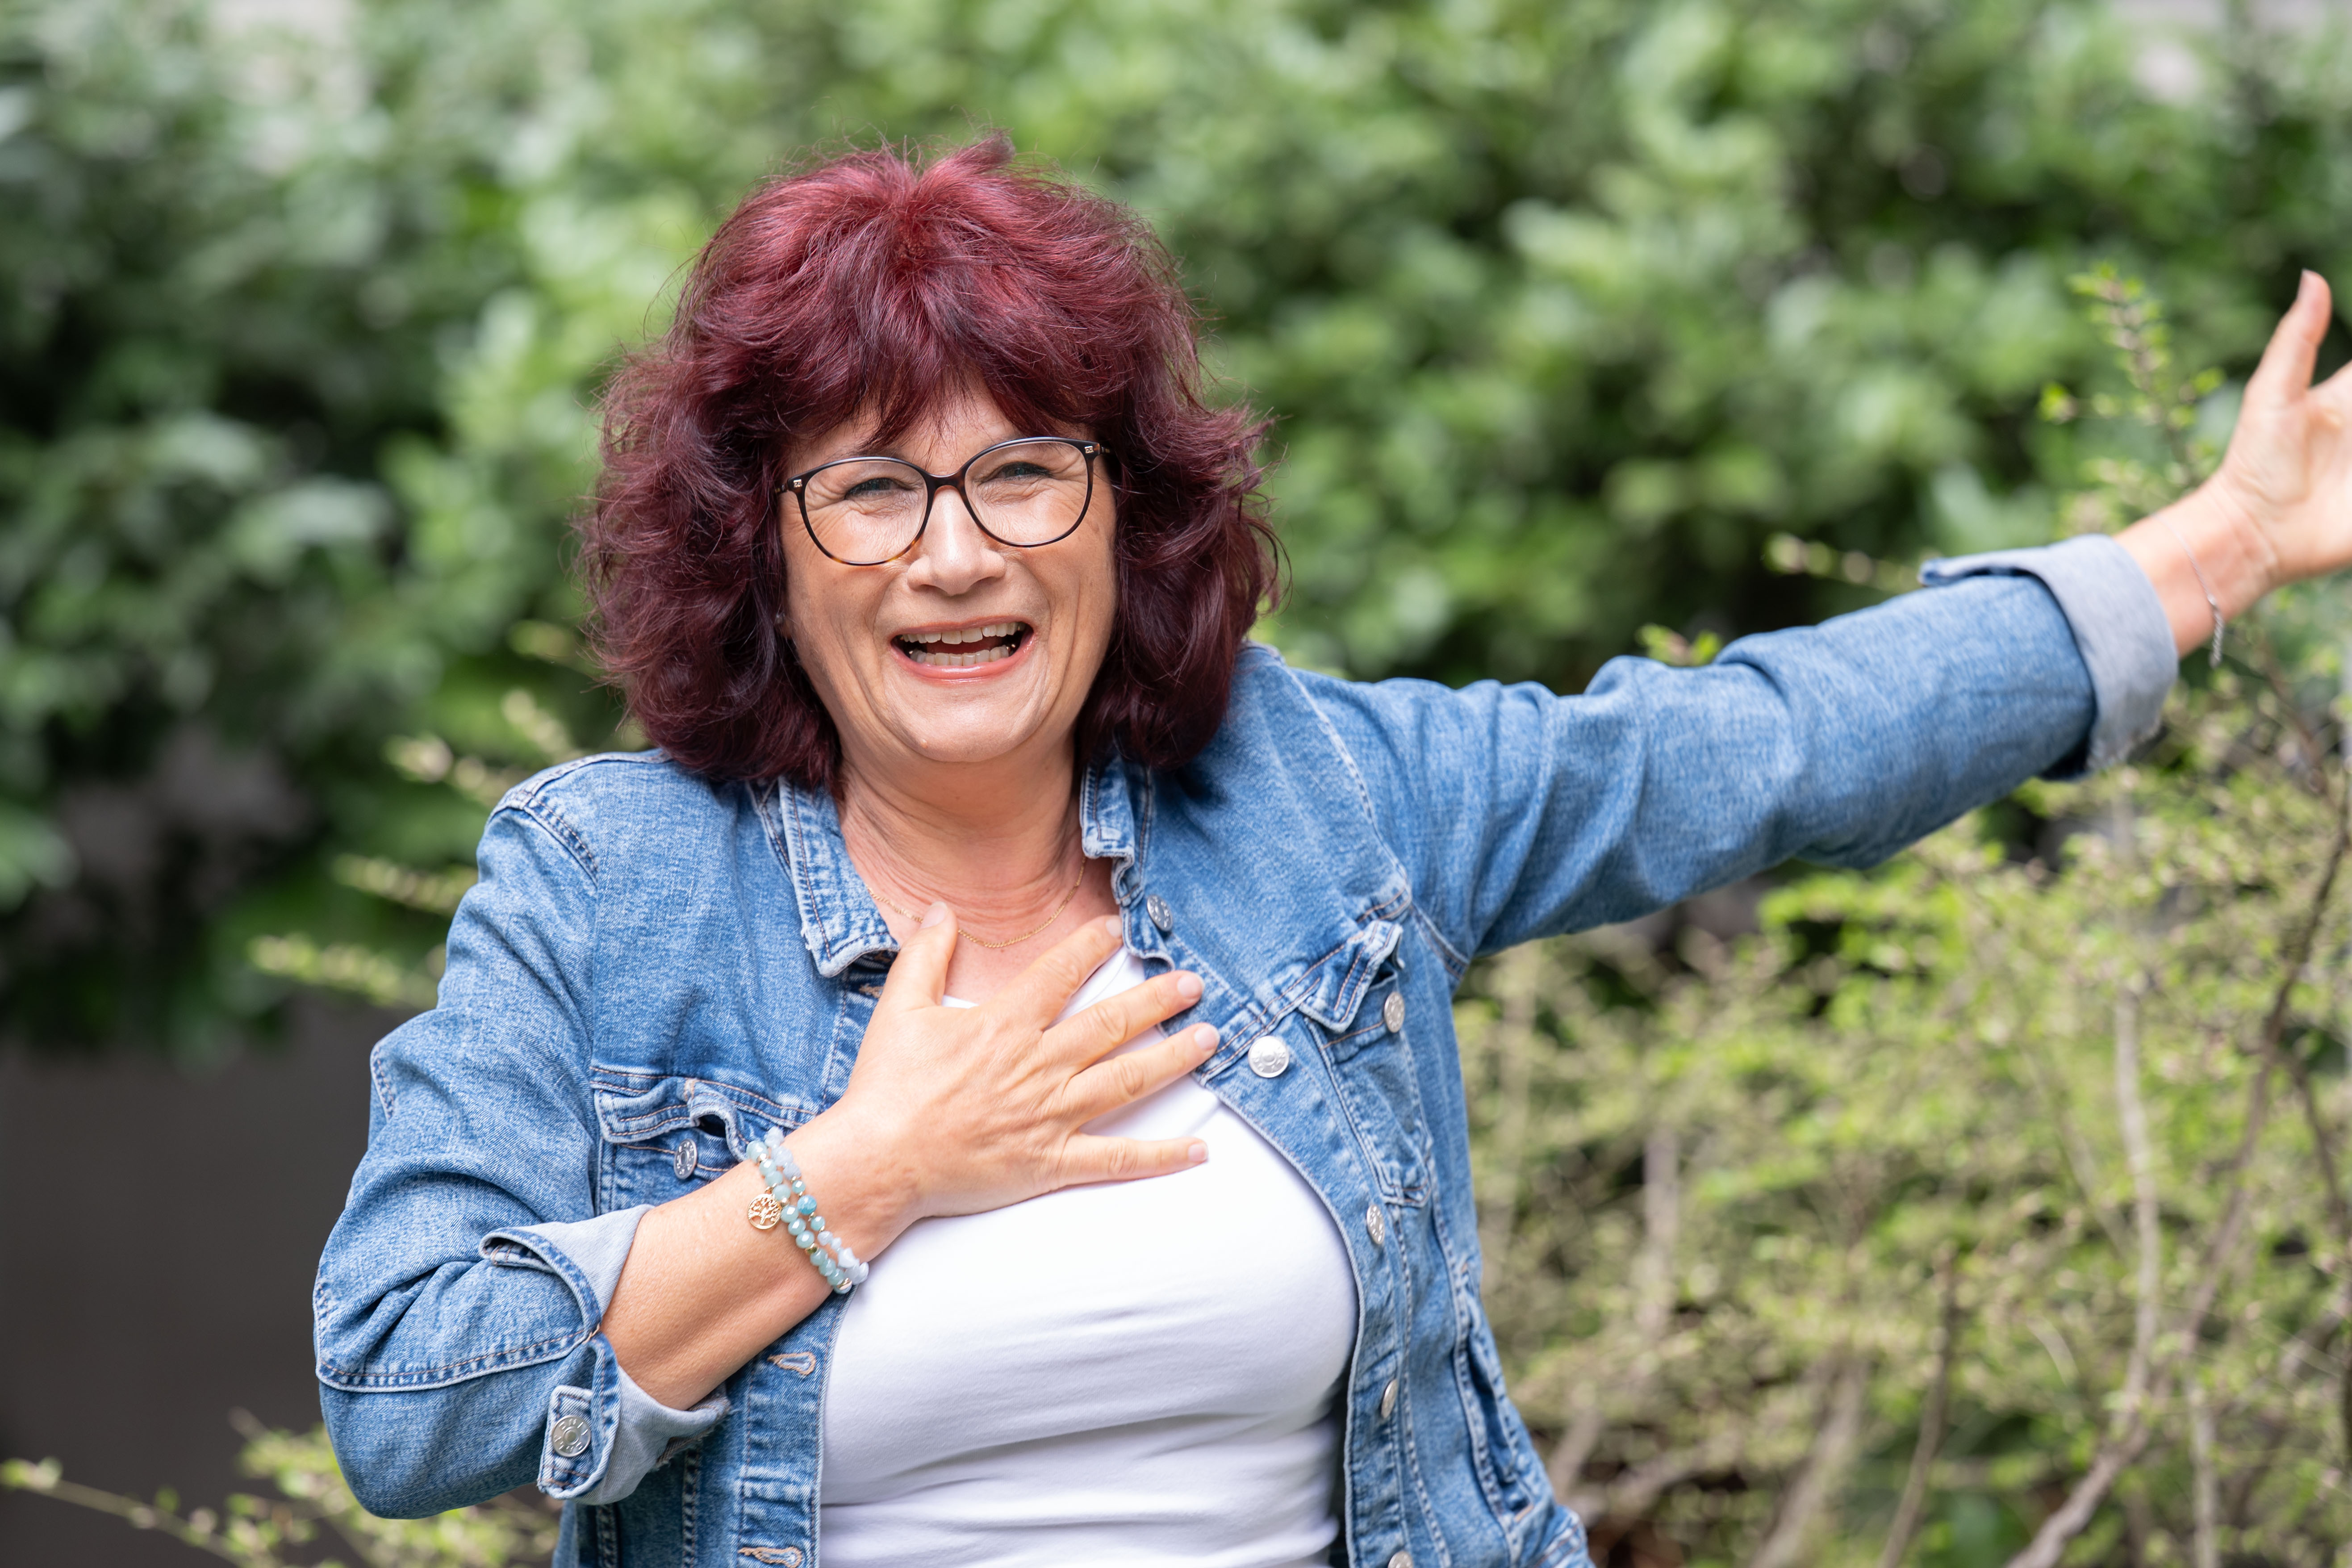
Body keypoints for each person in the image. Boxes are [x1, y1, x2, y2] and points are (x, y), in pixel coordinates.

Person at [313, 136, 2352, 1568]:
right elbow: (407, 1392)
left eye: (1024, 471)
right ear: (764, 548)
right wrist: (872, 1166)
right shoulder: (610, 883)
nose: (956, 555)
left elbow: (1747, 753)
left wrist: (2217, 546)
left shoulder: (1305, 792)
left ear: (1126, 519)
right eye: (870, 490)